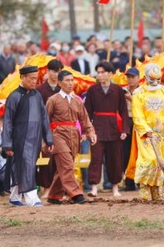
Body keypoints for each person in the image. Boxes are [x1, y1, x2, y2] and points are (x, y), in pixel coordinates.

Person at [1, 65, 53, 207]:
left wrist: (48, 139)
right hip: (20, 138)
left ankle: (14, 197)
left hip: (35, 138)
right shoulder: (14, 96)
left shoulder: (36, 95)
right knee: (27, 166)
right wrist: (7, 144)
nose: (34, 81)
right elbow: (7, 121)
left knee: (21, 166)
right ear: (22, 78)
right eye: (31, 78)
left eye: (36, 78)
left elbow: (44, 118)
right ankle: (32, 197)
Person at [45, 70, 96, 205]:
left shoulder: (77, 101)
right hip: (57, 134)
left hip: (73, 136)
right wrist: (46, 139)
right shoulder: (53, 100)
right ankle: (76, 194)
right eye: (67, 80)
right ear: (59, 83)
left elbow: (85, 119)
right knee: (67, 164)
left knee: (63, 167)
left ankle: (54, 195)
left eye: (72, 80)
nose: (70, 83)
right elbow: (45, 120)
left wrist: (90, 132)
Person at [131, 64, 164, 200]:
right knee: (149, 159)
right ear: (145, 77)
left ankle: (157, 189)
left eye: (157, 79)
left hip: (162, 133)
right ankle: (144, 188)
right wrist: (146, 129)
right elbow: (137, 114)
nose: (155, 82)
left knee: (160, 161)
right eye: (152, 79)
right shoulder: (138, 93)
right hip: (145, 134)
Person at [84, 61, 129, 197]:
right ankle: (94, 187)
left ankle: (115, 187)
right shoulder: (92, 90)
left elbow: (124, 111)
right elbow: (87, 112)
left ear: (110, 74)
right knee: (96, 158)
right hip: (97, 127)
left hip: (114, 127)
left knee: (114, 158)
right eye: (98, 72)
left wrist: (124, 130)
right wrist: (87, 130)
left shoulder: (118, 90)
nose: (100, 75)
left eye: (103, 72)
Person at [35, 59, 63, 193]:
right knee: (46, 157)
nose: (56, 74)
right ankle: (46, 188)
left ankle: (57, 188)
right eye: (54, 71)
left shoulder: (62, 90)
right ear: (48, 71)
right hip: (45, 127)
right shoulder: (39, 90)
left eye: (59, 71)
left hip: (61, 128)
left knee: (60, 158)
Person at [121, 67, 140, 191]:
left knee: (139, 152)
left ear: (138, 78)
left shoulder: (142, 91)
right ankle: (128, 181)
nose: (130, 79)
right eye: (128, 77)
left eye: (132, 77)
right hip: (126, 121)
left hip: (139, 121)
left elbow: (144, 107)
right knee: (125, 152)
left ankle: (139, 180)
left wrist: (130, 99)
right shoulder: (122, 90)